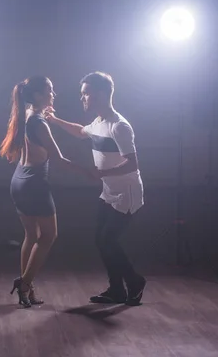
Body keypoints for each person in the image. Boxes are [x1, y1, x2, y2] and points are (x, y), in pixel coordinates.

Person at [44, 71, 146, 306]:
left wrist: (101, 173)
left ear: (100, 95)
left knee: (108, 241)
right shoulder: (98, 122)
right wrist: (55, 121)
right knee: (102, 241)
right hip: (108, 191)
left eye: (86, 94)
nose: (83, 99)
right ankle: (117, 290)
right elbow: (81, 132)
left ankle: (135, 281)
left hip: (127, 193)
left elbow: (132, 163)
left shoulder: (119, 126)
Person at [0, 75, 95, 308]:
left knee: (31, 236)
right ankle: (24, 283)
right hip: (34, 185)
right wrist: (89, 173)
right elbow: (59, 160)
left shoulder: (28, 116)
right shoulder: (38, 123)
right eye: (49, 91)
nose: (54, 94)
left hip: (19, 182)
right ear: (36, 95)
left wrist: (51, 117)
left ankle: (27, 287)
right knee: (49, 236)